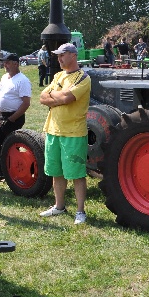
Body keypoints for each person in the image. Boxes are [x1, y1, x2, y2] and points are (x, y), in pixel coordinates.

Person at [38, 42, 91, 225]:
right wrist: (57, 98)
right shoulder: (58, 75)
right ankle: (59, 206)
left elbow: (68, 98)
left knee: (76, 174)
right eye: (58, 55)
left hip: (73, 133)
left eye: (62, 55)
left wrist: (56, 97)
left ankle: (80, 211)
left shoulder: (83, 77)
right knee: (56, 172)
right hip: (53, 130)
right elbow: (42, 98)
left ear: (73, 56)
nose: (59, 59)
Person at [0, 53, 32, 173]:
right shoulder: (5, 77)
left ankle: (9, 170)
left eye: (7, 62)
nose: (4, 65)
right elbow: (0, 96)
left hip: (13, 116)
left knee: (8, 145)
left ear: (16, 64)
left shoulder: (22, 80)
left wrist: (11, 119)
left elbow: (26, 103)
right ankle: (1, 171)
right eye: (4, 62)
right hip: (1, 115)